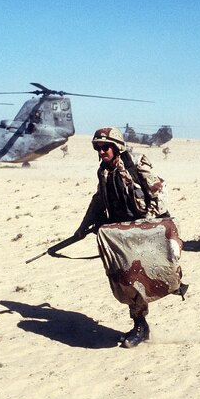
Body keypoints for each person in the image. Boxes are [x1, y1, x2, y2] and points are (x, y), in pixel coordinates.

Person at [74, 127, 172, 348]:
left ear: (117, 146)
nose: (101, 152)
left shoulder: (136, 163)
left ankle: (140, 326)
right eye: (97, 148)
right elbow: (99, 199)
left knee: (139, 279)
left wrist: (149, 222)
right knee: (125, 280)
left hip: (142, 231)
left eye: (105, 147)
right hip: (120, 235)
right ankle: (141, 324)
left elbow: (158, 191)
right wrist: (83, 226)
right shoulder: (104, 171)